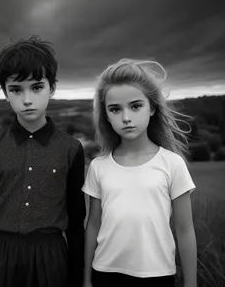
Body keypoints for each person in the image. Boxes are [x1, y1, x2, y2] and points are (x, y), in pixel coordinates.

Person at [0, 36, 86, 287]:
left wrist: (77, 274)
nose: (27, 99)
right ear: (5, 93)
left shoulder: (71, 149)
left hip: (51, 258)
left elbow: (75, 220)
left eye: (37, 87)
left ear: (52, 88)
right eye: (16, 89)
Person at [82, 59, 197, 287]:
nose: (126, 117)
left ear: (152, 107)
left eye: (135, 106)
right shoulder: (99, 166)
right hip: (105, 272)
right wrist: (86, 279)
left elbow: (185, 230)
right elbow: (93, 224)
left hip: (156, 274)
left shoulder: (172, 163)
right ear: (106, 115)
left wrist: (191, 283)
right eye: (115, 109)